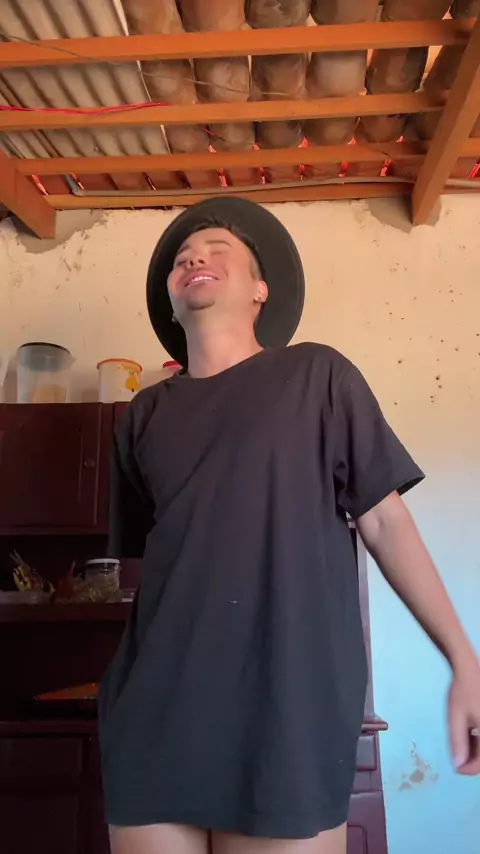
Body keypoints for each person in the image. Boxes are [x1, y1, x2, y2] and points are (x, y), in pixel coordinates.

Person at [98, 198, 480, 854]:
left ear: (260, 290)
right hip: (155, 711)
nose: (194, 258)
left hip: (288, 712)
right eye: (183, 257)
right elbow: (150, 568)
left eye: (217, 249)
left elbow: (386, 522)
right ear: (171, 302)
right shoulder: (142, 416)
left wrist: (463, 659)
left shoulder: (317, 375)